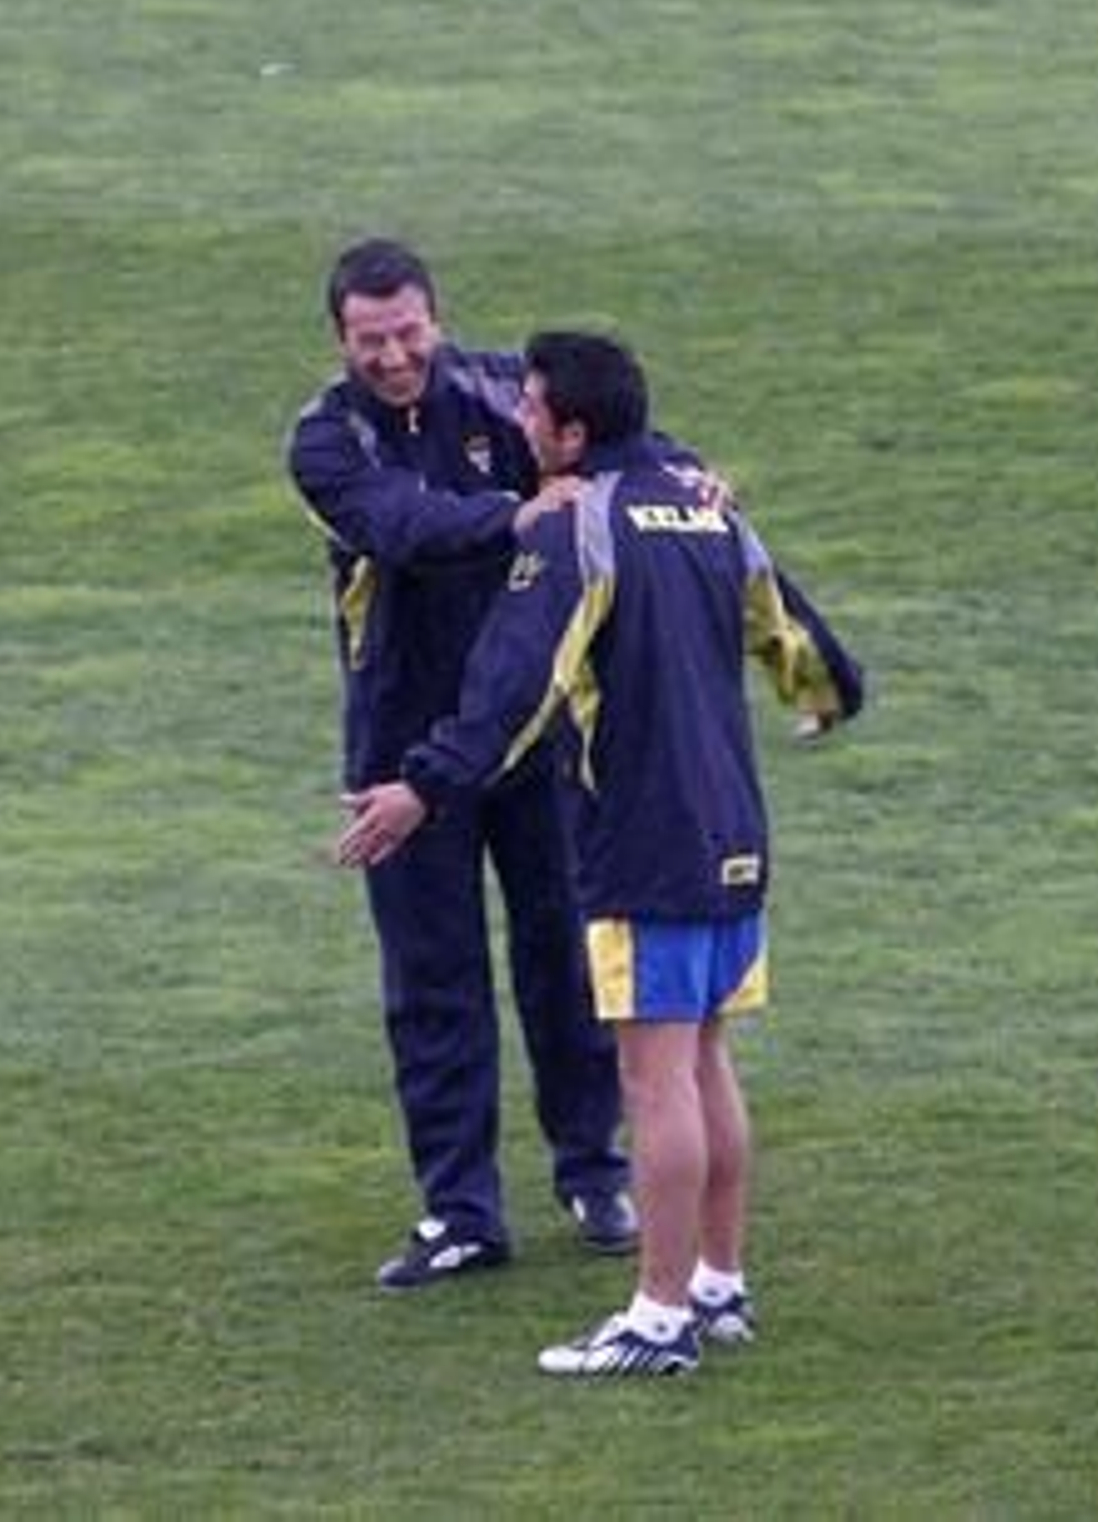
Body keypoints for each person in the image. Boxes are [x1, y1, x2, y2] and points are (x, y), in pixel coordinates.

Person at [335, 330, 864, 1376]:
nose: (518, 422)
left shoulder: (583, 521)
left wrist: (422, 785)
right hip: (731, 829)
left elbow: (515, 682)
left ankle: (658, 1318)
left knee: (654, 1074)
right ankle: (718, 1283)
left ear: (572, 432)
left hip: (640, 836)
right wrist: (827, 690)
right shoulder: (701, 497)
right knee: (706, 1058)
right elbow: (781, 618)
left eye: (531, 409)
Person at [288, 242, 641, 1288]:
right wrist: (514, 514)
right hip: (400, 754)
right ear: (340, 339)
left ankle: (594, 1171)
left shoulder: (502, 390)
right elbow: (395, 526)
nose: (393, 356)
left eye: (407, 332)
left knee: (565, 959)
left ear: (435, 318)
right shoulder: (324, 439)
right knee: (432, 983)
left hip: (532, 733)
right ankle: (460, 1208)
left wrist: (678, 471)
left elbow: (605, 442)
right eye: (370, 340)